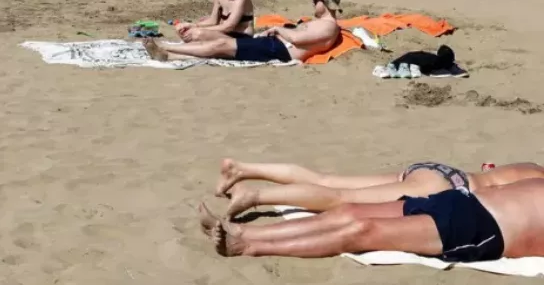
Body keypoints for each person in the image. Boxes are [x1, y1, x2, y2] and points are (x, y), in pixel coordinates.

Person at [200, 177, 544, 262]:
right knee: (347, 212)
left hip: (484, 230)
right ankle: (242, 229)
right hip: (461, 200)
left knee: (362, 230)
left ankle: (248, 246)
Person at [214, 158, 544, 219]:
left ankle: (242, 169)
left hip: (437, 169)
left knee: (328, 180)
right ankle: (255, 195)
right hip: (446, 184)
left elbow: (492, 172)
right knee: (339, 199)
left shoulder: (533, 167)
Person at [144, 0, 341, 63]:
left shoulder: (329, 26)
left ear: (325, 3)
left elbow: (297, 38)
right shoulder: (320, 22)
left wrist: (277, 28)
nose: (313, 3)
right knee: (219, 43)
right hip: (274, 44)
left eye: (316, 0)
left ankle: (167, 47)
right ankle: (169, 55)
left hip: (279, 50)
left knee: (222, 45)